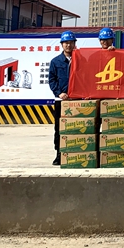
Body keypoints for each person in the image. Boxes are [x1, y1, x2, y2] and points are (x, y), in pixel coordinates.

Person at [48, 31, 76, 165]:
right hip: (61, 100)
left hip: (76, 100)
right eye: (66, 43)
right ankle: (59, 154)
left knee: (76, 127)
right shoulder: (55, 61)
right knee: (60, 128)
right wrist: (59, 93)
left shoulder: (81, 59)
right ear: (62, 44)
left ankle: (74, 152)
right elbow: (52, 80)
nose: (68, 45)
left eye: (71, 43)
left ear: (74, 44)